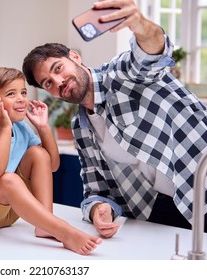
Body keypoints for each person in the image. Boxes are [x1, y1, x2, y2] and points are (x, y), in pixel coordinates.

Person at [22, 0, 207, 238]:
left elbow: (151, 54)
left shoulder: (120, 75)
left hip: (199, 184)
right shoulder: (81, 126)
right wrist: (101, 208)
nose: (58, 82)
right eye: (48, 83)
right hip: (164, 205)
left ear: (75, 57)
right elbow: (95, 189)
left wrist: (140, 25)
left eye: (58, 69)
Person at [0, 67, 102, 255]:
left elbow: (52, 165)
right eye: (11, 94)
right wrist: (5, 129)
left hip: (9, 211)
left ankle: (45, 224)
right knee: (8, 179)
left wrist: (43, 127)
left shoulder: (22, 128)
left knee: (38, 154)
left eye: (23, 92)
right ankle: (63, 231)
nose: (21, 98)